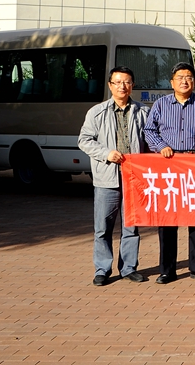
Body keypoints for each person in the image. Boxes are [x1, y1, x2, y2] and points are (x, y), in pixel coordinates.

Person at [143, 62, 195, 284]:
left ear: (194, 81)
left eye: (189, 77)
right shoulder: (161, 104)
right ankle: (167, 270)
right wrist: (160, 146)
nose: (185, 81)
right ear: (172, 82)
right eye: (180, 77)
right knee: (167, 218)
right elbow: (149, 130)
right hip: (169, 165)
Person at [78, 66, 150, 286]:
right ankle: (102, 269)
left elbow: (151, 141)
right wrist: (106, 154)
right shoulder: (97, 112)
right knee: (103, 227)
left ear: (132, 85)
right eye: (117, 82)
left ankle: (128, 268)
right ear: (110, 85)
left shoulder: (143, 112)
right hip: (106, 178)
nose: (122, 86)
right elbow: (84, 140)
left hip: (134, 179)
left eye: (126, 82)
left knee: (131, 226)